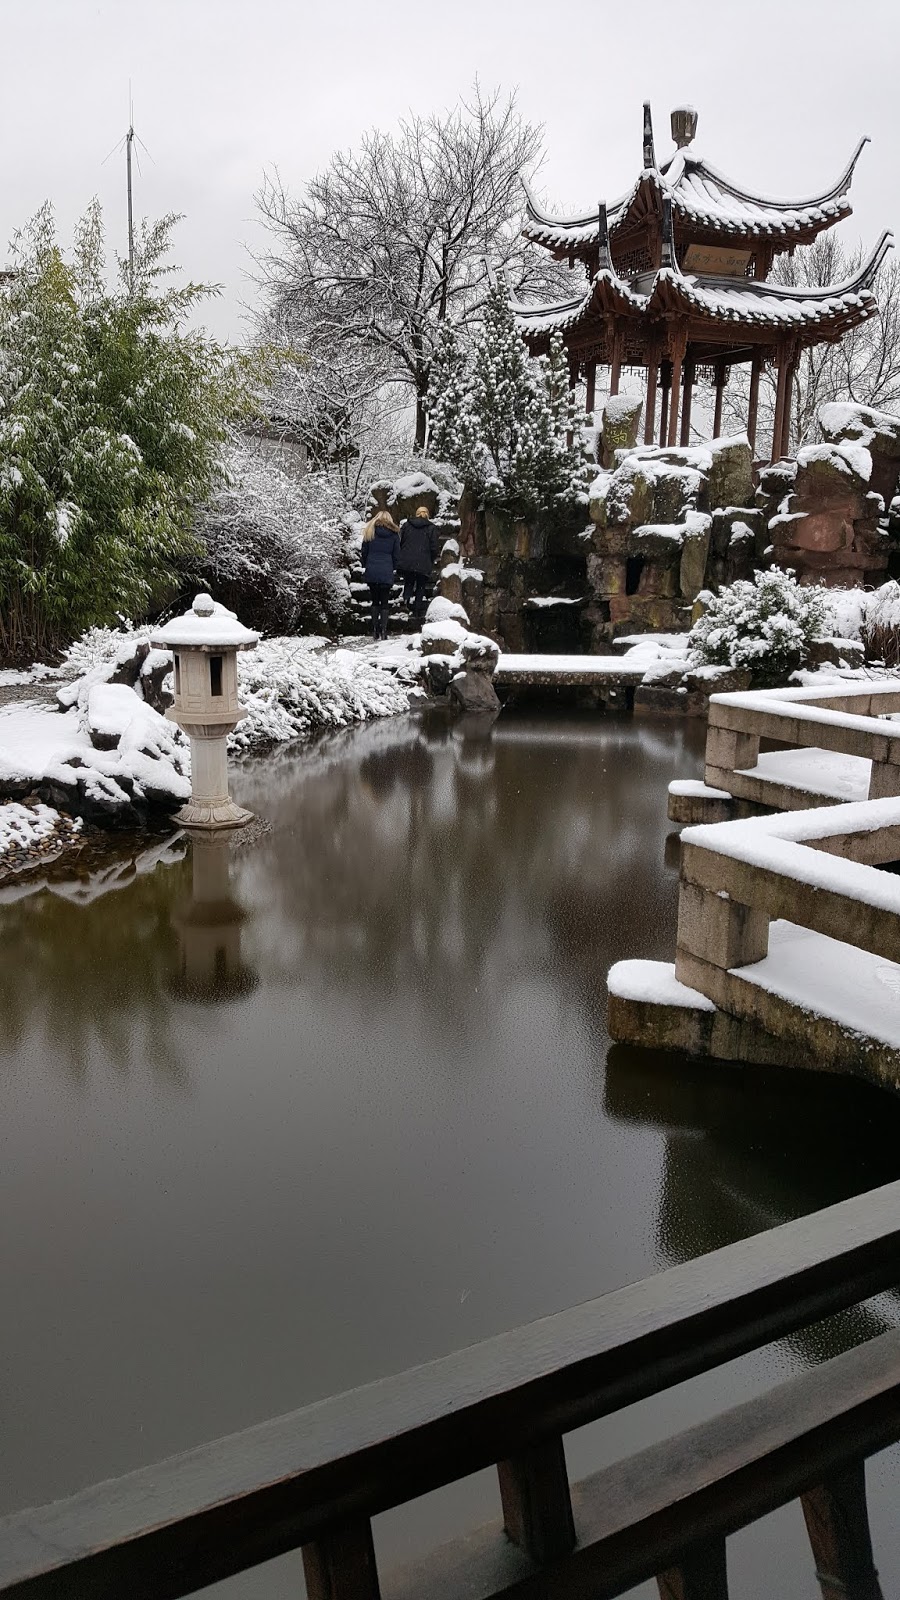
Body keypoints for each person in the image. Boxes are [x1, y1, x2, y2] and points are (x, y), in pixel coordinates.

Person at [360, 511, 400, 640]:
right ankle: (383, 630)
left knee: (374, 601)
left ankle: (374, 629)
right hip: (386, 569)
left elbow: (364, 552)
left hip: (372, 569)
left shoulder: (370, 532)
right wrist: (392, 567)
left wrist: (366, 564)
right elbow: (396, 555)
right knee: (384, 601)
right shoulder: (394, 535)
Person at [398, 504, 440, 624]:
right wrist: (431, 558)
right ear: (427, 515)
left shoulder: (406, 525)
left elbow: (401, 541)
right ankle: (417, 609)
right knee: (421, 585)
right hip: (423, 560)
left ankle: (406, 602)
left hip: (408, 560)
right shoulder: (431, 528)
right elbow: (434, 546)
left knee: (409, 581)